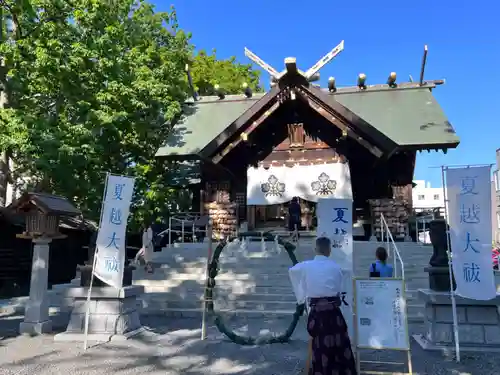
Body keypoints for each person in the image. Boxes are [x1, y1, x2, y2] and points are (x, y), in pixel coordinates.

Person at [289, 237, 357, 375]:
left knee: (320, 347)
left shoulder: (306, 265)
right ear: (329, 251)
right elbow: (339, 287)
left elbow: (292, 271)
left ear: (315, 250)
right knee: (339, 345)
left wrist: (301, 296)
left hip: (317, 312)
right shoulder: (335, 267)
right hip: (333, 311)